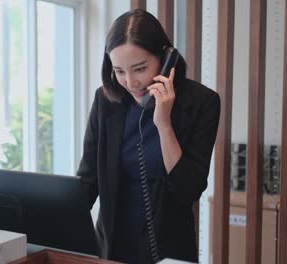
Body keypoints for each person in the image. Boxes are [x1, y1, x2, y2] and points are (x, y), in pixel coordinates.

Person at [77, 9, 220, 264]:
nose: (131, 82)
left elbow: (188, 191)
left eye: (140, 68)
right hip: (112, 250)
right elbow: (87, 182)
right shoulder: (105, 101)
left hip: (169, 252)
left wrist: (163, 124)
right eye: (119, 71)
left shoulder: (202, 103)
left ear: (166, 58)